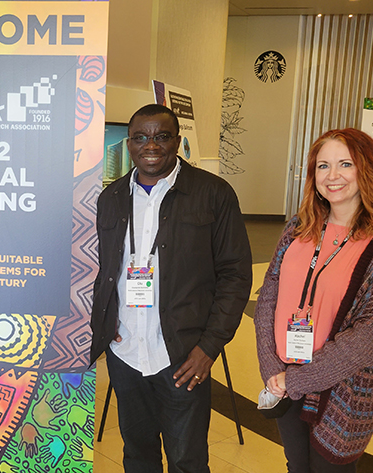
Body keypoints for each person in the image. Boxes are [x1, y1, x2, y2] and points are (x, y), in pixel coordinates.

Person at [90, 104, 252, 473]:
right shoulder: (111, 198)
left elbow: (236, 275)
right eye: (141, 137)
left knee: (187, 460)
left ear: (177, 141)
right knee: (137, 455)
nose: (151, 145)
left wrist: (209, 347)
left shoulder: (213, 193)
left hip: (182, 355)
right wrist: (106, 322)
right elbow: (101, 270)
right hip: (126, 351)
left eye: (161, 137)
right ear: (129, 144)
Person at [254, 128, 373, 472]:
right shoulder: (298, 227)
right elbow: (268, 297)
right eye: (323, 166)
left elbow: (371, 335)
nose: (332, 176)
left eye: (344, 164)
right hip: (284, 377)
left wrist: (299, 380)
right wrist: (272, 368)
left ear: (366, 170)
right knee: (296, 465)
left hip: (342, 391)